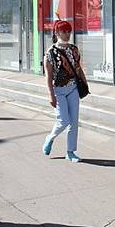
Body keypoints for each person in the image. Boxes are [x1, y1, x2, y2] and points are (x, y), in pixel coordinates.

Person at [43, 20, 85, 162]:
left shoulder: (74, 49)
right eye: (64, 31)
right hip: (59, 90)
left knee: (74, 122)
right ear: (57, 33)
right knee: (63, 121)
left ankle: (70, 152)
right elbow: (48, 76)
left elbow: (78, 68)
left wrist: (84, 84)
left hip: (73, 89)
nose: (67, 34)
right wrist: (51, 95)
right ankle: (50, 138)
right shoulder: (50, 53)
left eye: (69, 31)